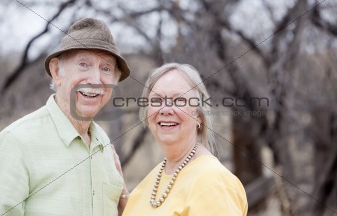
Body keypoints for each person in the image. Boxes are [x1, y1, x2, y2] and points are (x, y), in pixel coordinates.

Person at [0, 18, 130, 216]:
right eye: (84, 64)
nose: (95, 80)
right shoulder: (16, 142)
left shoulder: (104, 144)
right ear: (56, 71)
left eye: (106, 69)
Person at [122, 63, 248, 215]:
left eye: (179, 100)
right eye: (156, 101)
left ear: (199, 116)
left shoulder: (214, 183)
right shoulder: (154, 177)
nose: (166, 109)